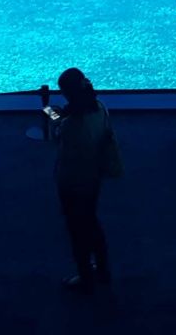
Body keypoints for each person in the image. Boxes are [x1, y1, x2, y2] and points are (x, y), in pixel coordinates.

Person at [51, 67, 118, 292]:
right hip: (94, 176)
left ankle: (84, 274)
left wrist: (50, 113)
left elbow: (57, 137)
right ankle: (102, 267)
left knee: (76, 227)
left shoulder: (70, 123)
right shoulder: (100, 108)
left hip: (71, 180)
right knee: (91, 220)